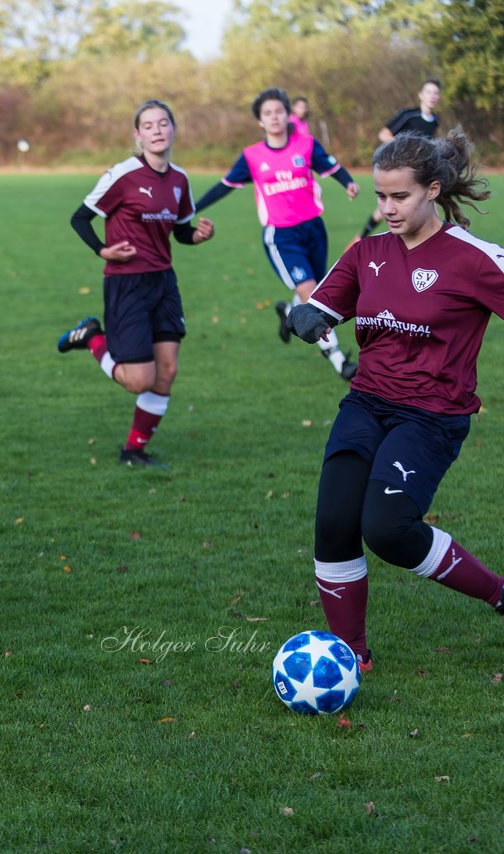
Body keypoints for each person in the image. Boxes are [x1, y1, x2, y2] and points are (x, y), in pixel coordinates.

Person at [286, 128, 503, 671]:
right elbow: (321, 306)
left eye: (399, 196)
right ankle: (352, 656)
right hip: (366, 404)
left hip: (431, 417)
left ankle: (500, 594)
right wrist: (306, 318)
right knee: (335, 523)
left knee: (386, 528)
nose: (386, 208)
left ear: (432, 190)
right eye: (380, 196)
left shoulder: (473, 258)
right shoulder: (368, 252)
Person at [55, 100, 215, 467]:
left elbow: (181, 233)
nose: (157, 130)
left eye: (163, 123)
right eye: (148, 125)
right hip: (126, 283)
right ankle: (92, 336)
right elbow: (79, 218)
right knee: (139, 380)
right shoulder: (123, 174)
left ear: (173, 129)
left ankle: (134, 451)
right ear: (137, 135)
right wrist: (103, 250)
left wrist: (200, 236)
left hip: (164, 283)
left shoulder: (180, 179)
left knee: (168, 370)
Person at [194, 87, 360, 380]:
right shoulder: (252, 156)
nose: (274, 117)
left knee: (315, 292)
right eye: (267, 113)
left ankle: (288, 313)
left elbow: (331, 166)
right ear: (260, 120)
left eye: (279, 112)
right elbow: (224, 185)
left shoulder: (306, 146)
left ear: (288, 115)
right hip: (281, 237)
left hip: (313, 229)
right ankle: (339, 360)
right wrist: (193, 207)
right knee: (311, 295)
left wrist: (348, 183)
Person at [356, 79, 441, 241]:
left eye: (436, 93)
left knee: (427, 203)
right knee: (398, 205)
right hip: (399, 170)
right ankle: (361, 239)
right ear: (420, 95)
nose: (433, 96)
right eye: (429, 92)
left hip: (418, 172)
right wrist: (404, 150)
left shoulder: (435, 120)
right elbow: (383, 134)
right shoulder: (408, 115)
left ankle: (429, 242)